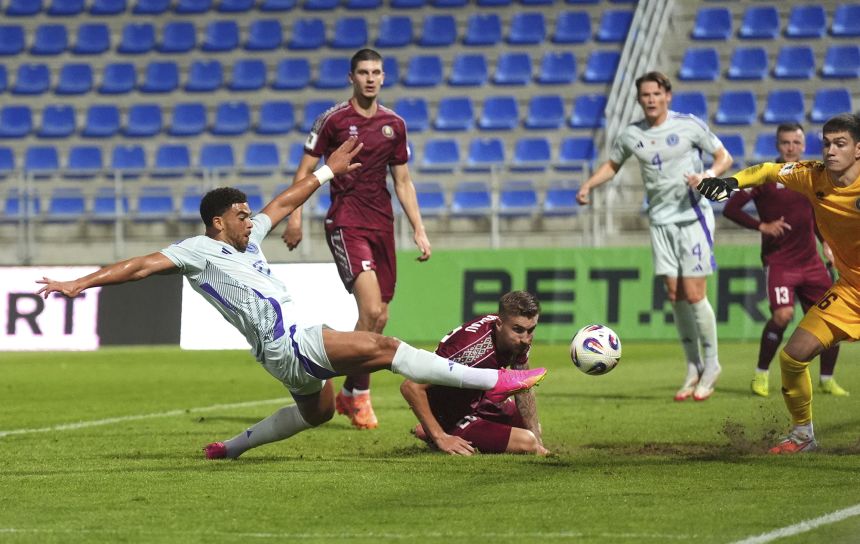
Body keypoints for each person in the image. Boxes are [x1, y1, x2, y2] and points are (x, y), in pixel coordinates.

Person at [35, 137, 547, 460]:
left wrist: (327, 172)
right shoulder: (198, 250)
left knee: (319, 413)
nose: (250, 216)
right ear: (218, 222)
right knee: (387, 348)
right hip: (293, 341)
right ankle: (496, 378)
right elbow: (141, 265)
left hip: (279, 358)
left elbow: (284, 200)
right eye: (240, 213)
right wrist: (82, 282)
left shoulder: (249, 237)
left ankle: (230, 448)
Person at [281, 48, 431, 430]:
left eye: (376, 72)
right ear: (352, 77)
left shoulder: (394, 124)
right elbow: (305, 170)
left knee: (381, 315)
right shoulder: (332, 120)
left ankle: (349, 392)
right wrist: (294, 217)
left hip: (382, 224)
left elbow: (403, 180)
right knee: (371, 309)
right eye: (363, 72)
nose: (370, 78)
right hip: (346, 222)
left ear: (383, 77)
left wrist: (418, 227)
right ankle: (353, 394)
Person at [697, 113, 860, 454]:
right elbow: (768, 171)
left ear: (858, 150)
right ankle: (803, 436)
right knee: (793, 357)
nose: (830, 151)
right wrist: (731, 183)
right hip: (850, 291)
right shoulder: (812, 175)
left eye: (840, 144)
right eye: (827, 143)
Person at [576, 71, 733, 402]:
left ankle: (713, 365)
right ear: (639, 99)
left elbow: (724, 157)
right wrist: (590, 184)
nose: (650, 99)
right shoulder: (631, 134)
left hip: (692, 217)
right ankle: (692, 366)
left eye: (655, 94)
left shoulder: (689, 125)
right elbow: (613, 165)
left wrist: (708, 175)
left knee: (693, 293)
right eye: (644, 95)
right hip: (660, 221)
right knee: (674, 293)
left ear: (667, 96)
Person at [723, 123, 847, 398]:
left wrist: (826, 243)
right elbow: (731, 208)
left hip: (811, 262)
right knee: (782, 315)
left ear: (804, 145)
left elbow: (816, 217)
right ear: (777, 146)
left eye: (796, 142)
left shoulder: (812, 176)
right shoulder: (767, 175)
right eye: (785, 143)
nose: (791, 148)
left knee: (831, 321)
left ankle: (827, 379)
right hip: (779, 261)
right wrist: (761, 226)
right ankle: (761, 374)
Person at [401, 291, 549, 456]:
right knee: (526, 442)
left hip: (478, 398)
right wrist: (440, 436)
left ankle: (428, 430)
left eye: (531, 330)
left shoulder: (515, 335)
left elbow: (523, 385)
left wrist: (539, 444)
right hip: (450, 415)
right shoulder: (469, 351)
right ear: (499, 324)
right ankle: (434, 431)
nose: (525, 339)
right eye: (518, 330)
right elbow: (410, 386)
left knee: (533, 429)